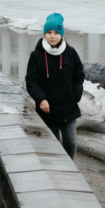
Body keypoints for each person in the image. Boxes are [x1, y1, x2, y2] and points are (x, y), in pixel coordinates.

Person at [26, 12, 85, 159]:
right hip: (48, 110)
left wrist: (76, 95)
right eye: (49, 32)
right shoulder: (36, 55)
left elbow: (79, 75)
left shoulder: (71, 53)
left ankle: (70, 168)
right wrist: (41, 99)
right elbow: (31, 81)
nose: (52, 36)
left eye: (56, 33)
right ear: (45, 34)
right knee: (54, 145)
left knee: (71, 144)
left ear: (61, 34)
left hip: (68, 109)